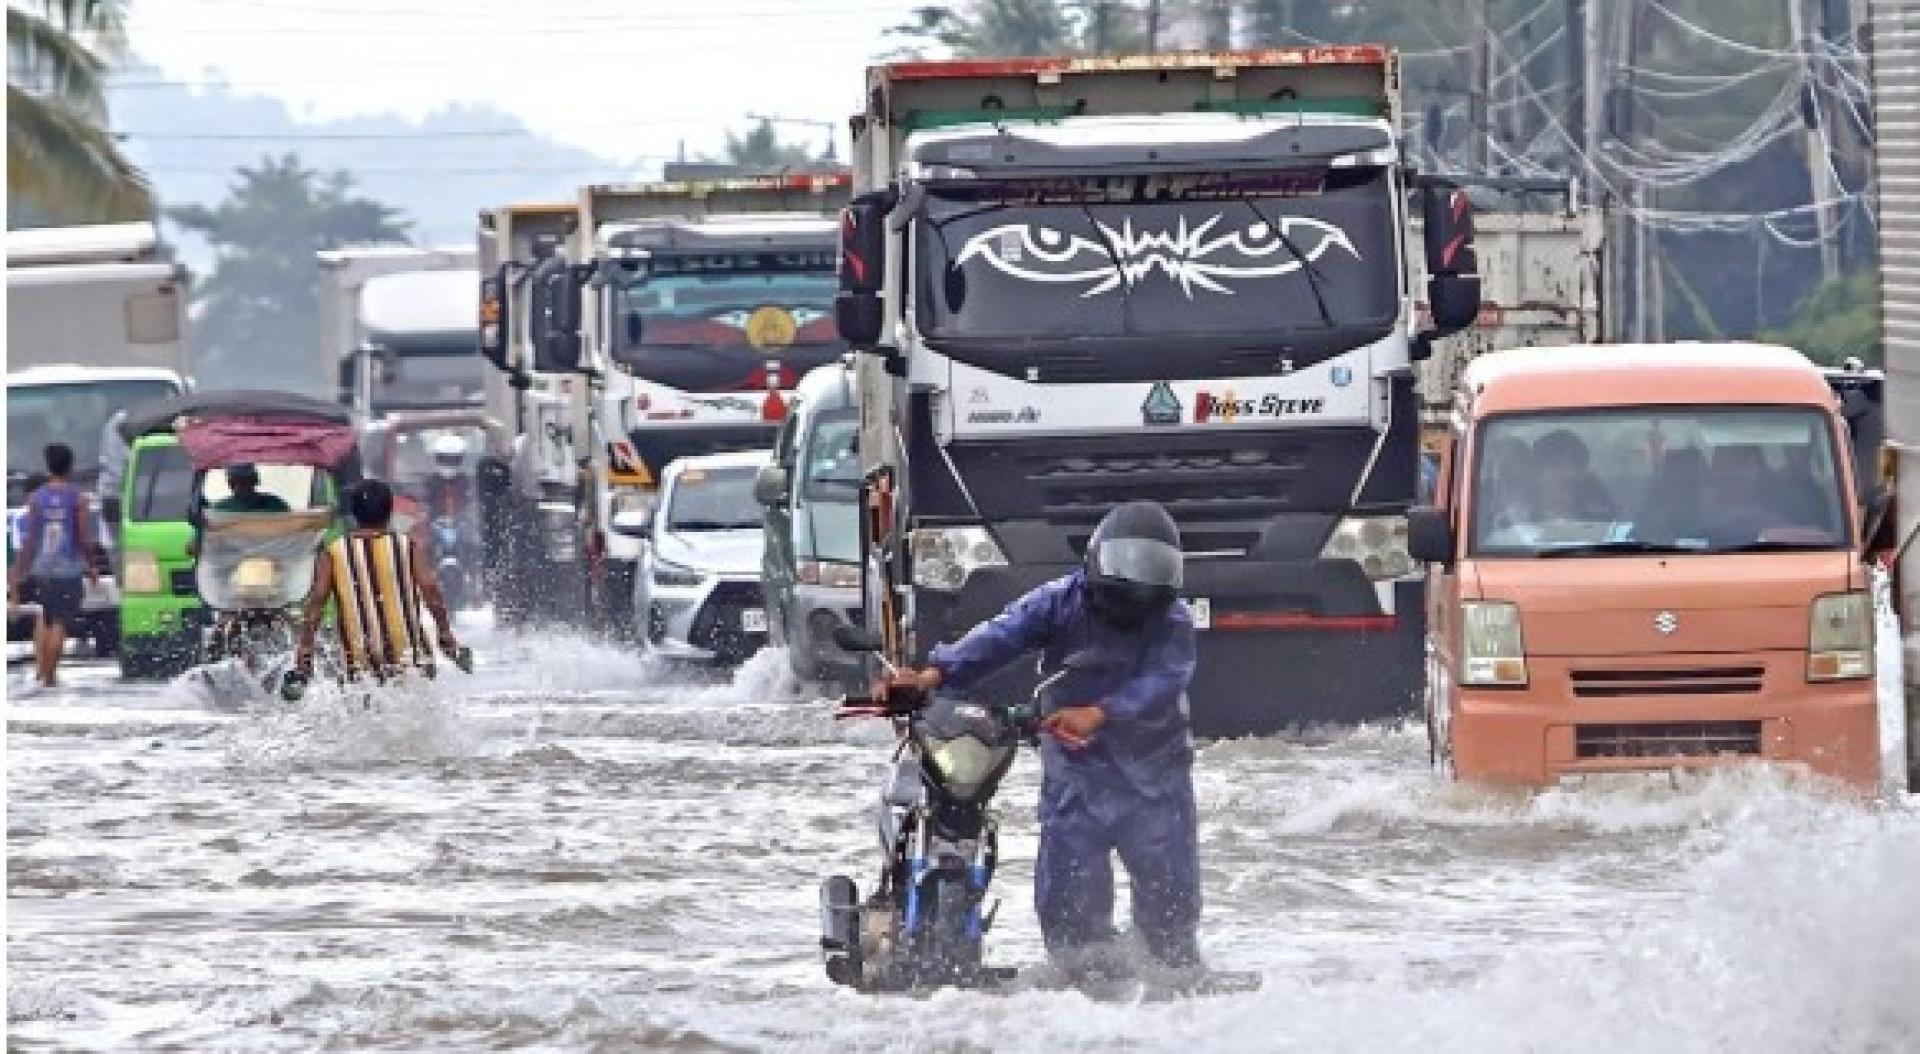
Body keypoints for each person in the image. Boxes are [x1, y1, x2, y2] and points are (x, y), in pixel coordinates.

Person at [882, 500, 1202, 978]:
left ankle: (1172, 992)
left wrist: (1101, 713)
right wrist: (935, 673)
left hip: (1154, 772)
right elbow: (1002, 636)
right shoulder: (1060, 601)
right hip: (1078, 770)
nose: (1137, 586)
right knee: (1071, 905)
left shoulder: (1173, 619)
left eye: (1151, 572)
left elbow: (1163, 680)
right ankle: (1082, 996)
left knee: (1170, 907)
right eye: (1126, 569)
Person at [288, 479, 466, 695]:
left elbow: (317, 600)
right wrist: (445, 633)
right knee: (413, 707)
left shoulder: (334, 552)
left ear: (354, 513)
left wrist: (305, 649)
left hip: (358, 656)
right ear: (389, 511)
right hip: (408, 652)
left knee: (364, 708)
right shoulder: (406, 546)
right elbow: (430, 590)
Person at [8, 445, 101, 689]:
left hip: (43, 568)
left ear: (49, 466)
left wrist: (19, 569)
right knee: (60, 622)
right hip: (68, 569)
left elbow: (30, 539)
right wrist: (91, 566)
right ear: (70, 466)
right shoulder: (78, 498)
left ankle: (43, 672)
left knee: (46, 617)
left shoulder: (35, 498)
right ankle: (50, 677)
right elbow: (83, 538)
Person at [210, 464, 291, 514]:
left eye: (245, 481)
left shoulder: (275, 504)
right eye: (236, 482)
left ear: (255, 481)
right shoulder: (221, 508)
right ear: (230, 484)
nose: (241, 486)